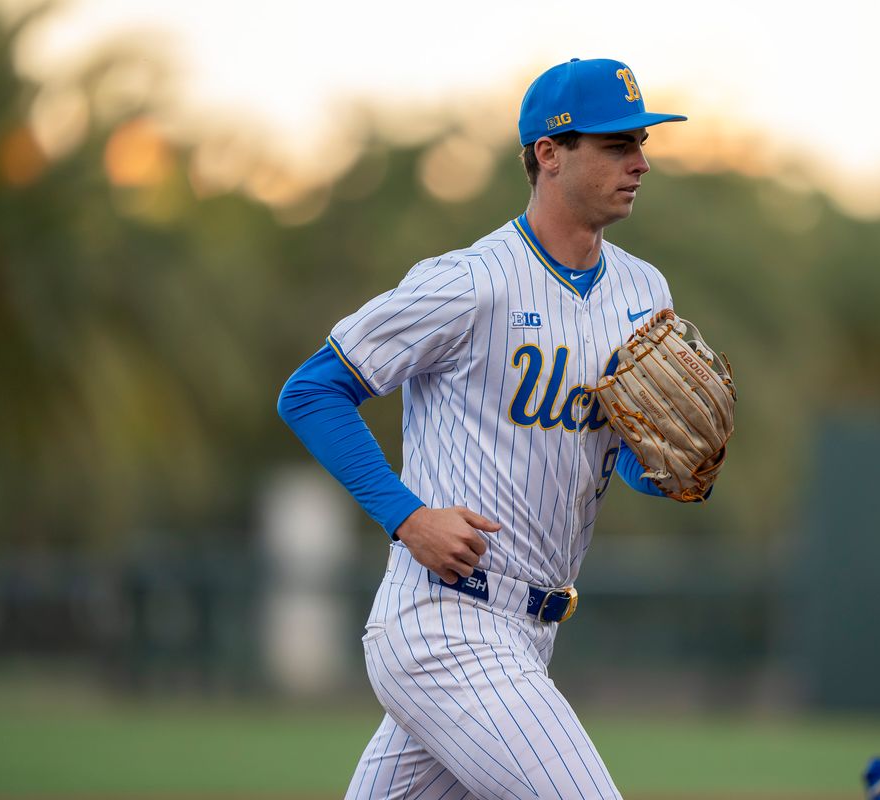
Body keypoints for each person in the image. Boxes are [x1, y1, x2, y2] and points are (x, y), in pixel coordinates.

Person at [278, 58, 694, 799]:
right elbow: (310, 392)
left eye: (640, 142)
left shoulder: (643, 289)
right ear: (548, 153)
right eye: (616, 144)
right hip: (444, 623)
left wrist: (661, 469)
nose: (641, 161)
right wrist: (405, 517)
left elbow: (622, 456)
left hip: (530, 633)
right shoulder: (471, 281)